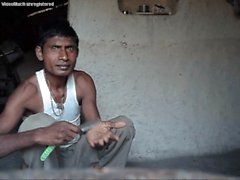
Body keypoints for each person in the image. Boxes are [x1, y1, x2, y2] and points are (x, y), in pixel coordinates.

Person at [0, 19, 135, 169]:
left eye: (70, 48)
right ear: (40, 53)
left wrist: (96, 134)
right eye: (55, 48)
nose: (64, 56)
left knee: (124, 126)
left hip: (77, 153)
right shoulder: (28, 91)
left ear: (77, 53)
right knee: (36, 122)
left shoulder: (83, 81)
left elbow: (93, 124)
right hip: (47, 160)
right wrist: (36, 135)